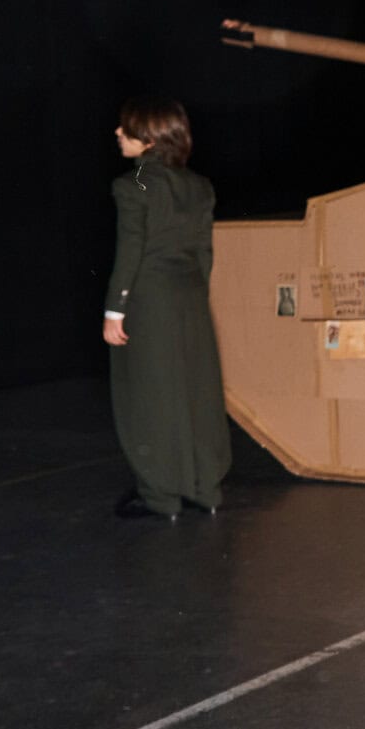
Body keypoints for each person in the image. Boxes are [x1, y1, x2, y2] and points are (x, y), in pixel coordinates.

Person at [103, 97, 231, 521]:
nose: (117, 134)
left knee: (149, 396)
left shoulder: (135, 182)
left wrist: (115, 310)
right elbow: (204, 254)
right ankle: (205, 489)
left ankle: (160, 495)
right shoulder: (199, 185)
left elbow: (131, 250)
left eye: (126, 128)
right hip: (191, 298)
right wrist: (193, 297)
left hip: (149, 301)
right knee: (195, 393)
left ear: (148, 136)